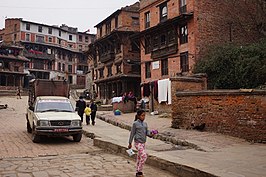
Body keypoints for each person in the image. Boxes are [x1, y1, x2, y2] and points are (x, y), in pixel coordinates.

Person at [128, 109, 154, 177]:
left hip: (143, 143)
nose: (144, 117)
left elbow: (147, 132)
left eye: (144, 115)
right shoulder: (135, 123)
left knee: (139, 158)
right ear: (138, 116)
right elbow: (132, 133)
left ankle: (137, 171)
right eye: (142, 115)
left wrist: (151, 134)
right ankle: (139, 172)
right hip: (137, 143)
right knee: (144, 156)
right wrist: (130, 143)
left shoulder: (145, 124)